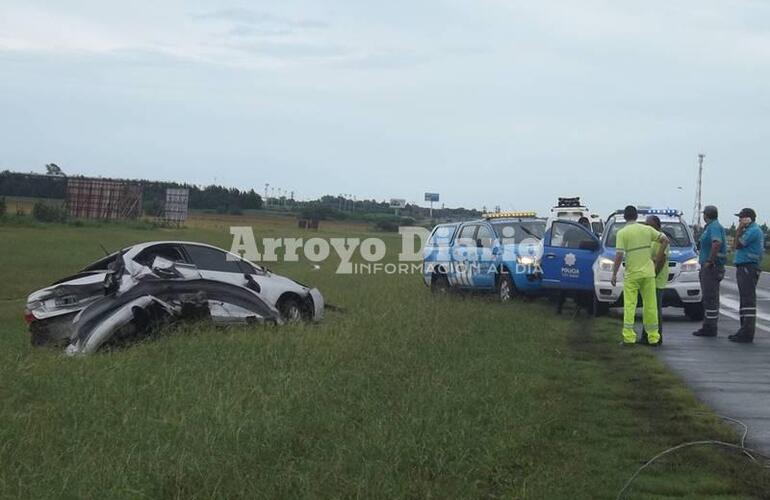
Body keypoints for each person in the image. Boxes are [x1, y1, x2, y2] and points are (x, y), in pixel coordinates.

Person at [611, 205, 669, 346]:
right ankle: (654, 337)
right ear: (637, 216)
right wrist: (657, 260)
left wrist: (614, 273)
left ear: (625, 217)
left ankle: (629, 337)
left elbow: (619, 255)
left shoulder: (622, 233)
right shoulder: (647, 230)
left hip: (632, 274)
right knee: (650, 305)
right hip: (648, 273)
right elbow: (665, 240)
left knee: (630, 305)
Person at [729, 208, 765, 343]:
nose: (739, 220)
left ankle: (747, 332)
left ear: (748, 218)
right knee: (745, 301)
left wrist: (738, 229)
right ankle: (743, 329)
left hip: (748, 267)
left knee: (748, 301)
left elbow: (737, 245)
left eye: (741, 217)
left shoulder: (753, 231)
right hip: (745, 266)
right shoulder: (751, 230)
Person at [692, 205, 727, 337]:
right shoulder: (710, 227)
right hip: (709, 266)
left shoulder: (714, 227)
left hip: (712, 267)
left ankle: (710, 327)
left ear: (706, 215)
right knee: (708, 298)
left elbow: (716, 243)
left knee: (710, 298)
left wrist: (710, 260)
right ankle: (708, 325)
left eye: (704, 214)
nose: (703, 216)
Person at [639, 215, 670, 345]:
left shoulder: (661, 240)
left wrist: (653, 275)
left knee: (655, 310)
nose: (646, 226)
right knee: (648, 309)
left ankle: (656, 337)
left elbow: (661, 260)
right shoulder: (651, 239)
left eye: (649, 224)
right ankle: (646, 336)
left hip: (656, 280)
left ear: (657, 226)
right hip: (648, 278)